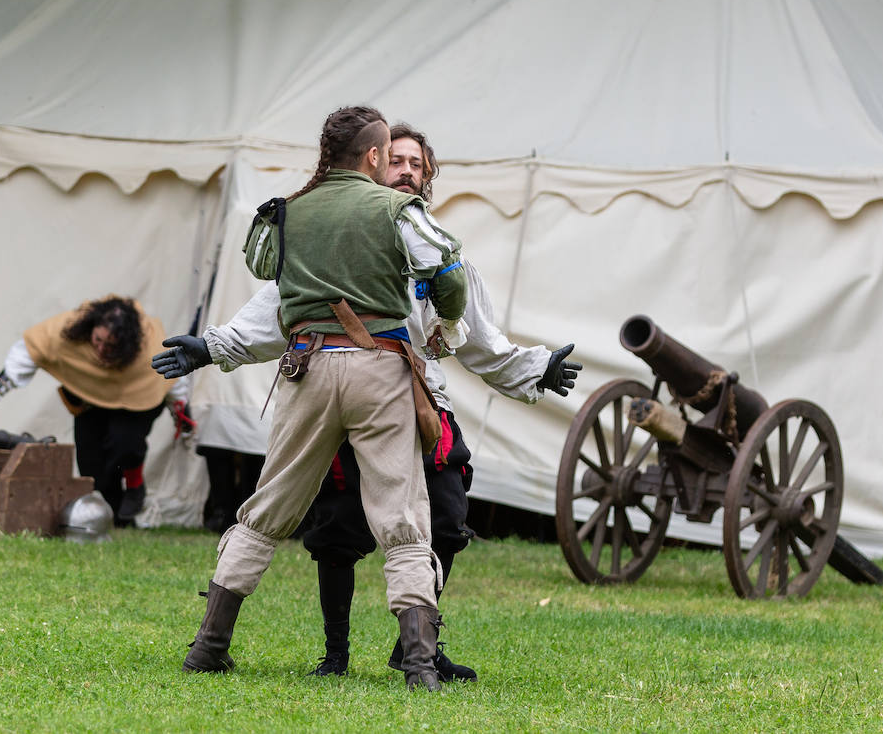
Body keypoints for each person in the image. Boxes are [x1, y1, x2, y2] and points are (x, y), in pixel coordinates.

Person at [159, 123, 582, 683]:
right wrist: (214, 346)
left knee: (445, 518)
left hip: (410, 396)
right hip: (376, 381)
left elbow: (478, 338)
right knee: (343, 528)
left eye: (417, 164)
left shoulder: (396, 229)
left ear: (428, 175)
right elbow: (279, 308)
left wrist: (536, 366)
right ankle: (344, 655)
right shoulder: (368, 229)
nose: (406, 170)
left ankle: (415, 651)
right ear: (375, 161)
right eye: (396, 160)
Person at [154, 106, 469, 692]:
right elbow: (448, 275)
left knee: (268, 507)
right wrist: (445, 320)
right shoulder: (399, 210)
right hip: (380, 370)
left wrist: (213, 346)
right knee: (401, 514)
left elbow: (265, 274)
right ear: (374, 156)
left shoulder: (286, 212)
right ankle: (420, 665)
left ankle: (208, 647)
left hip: (304, 367)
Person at [0, 295, 186, 524]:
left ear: (126, 344)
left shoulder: (149, 344)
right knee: (90, 463)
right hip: (89, 401)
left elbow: (171, 378)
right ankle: (112, 517)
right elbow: (28, 352)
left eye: (110, 345)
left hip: (135, 402)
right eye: (98, 340)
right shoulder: (65, 330)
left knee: (124, 445)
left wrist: (181, 412)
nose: (101, 349)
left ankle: (135, 486)